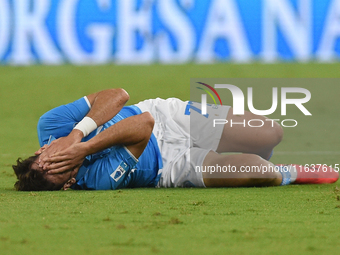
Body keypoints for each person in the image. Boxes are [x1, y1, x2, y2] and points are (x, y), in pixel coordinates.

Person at [13, 88, 338, 191]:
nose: (64, 159)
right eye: (63, 169)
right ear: (68, 183)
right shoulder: (95, 181)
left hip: (173, 118)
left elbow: (118, 95)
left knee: (271, 132)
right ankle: (292, 172)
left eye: (53, 156)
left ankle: (253, 144)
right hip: (169, 167)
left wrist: (75, 135)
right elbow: (142, 127)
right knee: (260, 172)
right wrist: (82, 149)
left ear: (44, 146)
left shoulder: (52, 124)